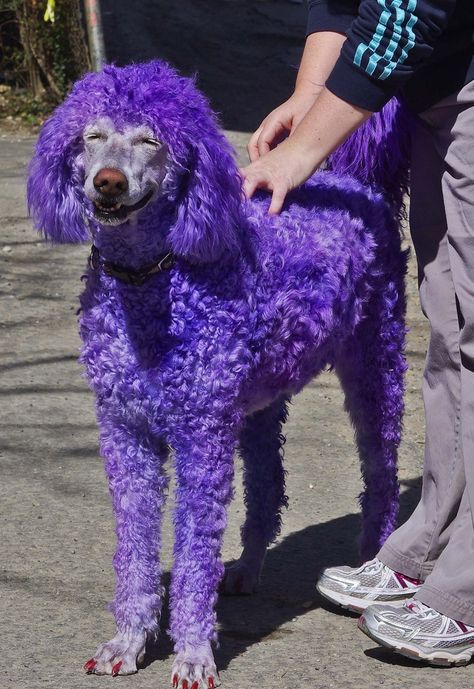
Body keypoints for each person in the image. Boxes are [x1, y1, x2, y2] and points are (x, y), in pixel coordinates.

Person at [240, 0, 474, 666]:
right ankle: (430, 538)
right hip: (439, 83)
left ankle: (468, 583)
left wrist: (302, 154)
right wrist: (309, 95)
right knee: (451, 317)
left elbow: (407, 10)